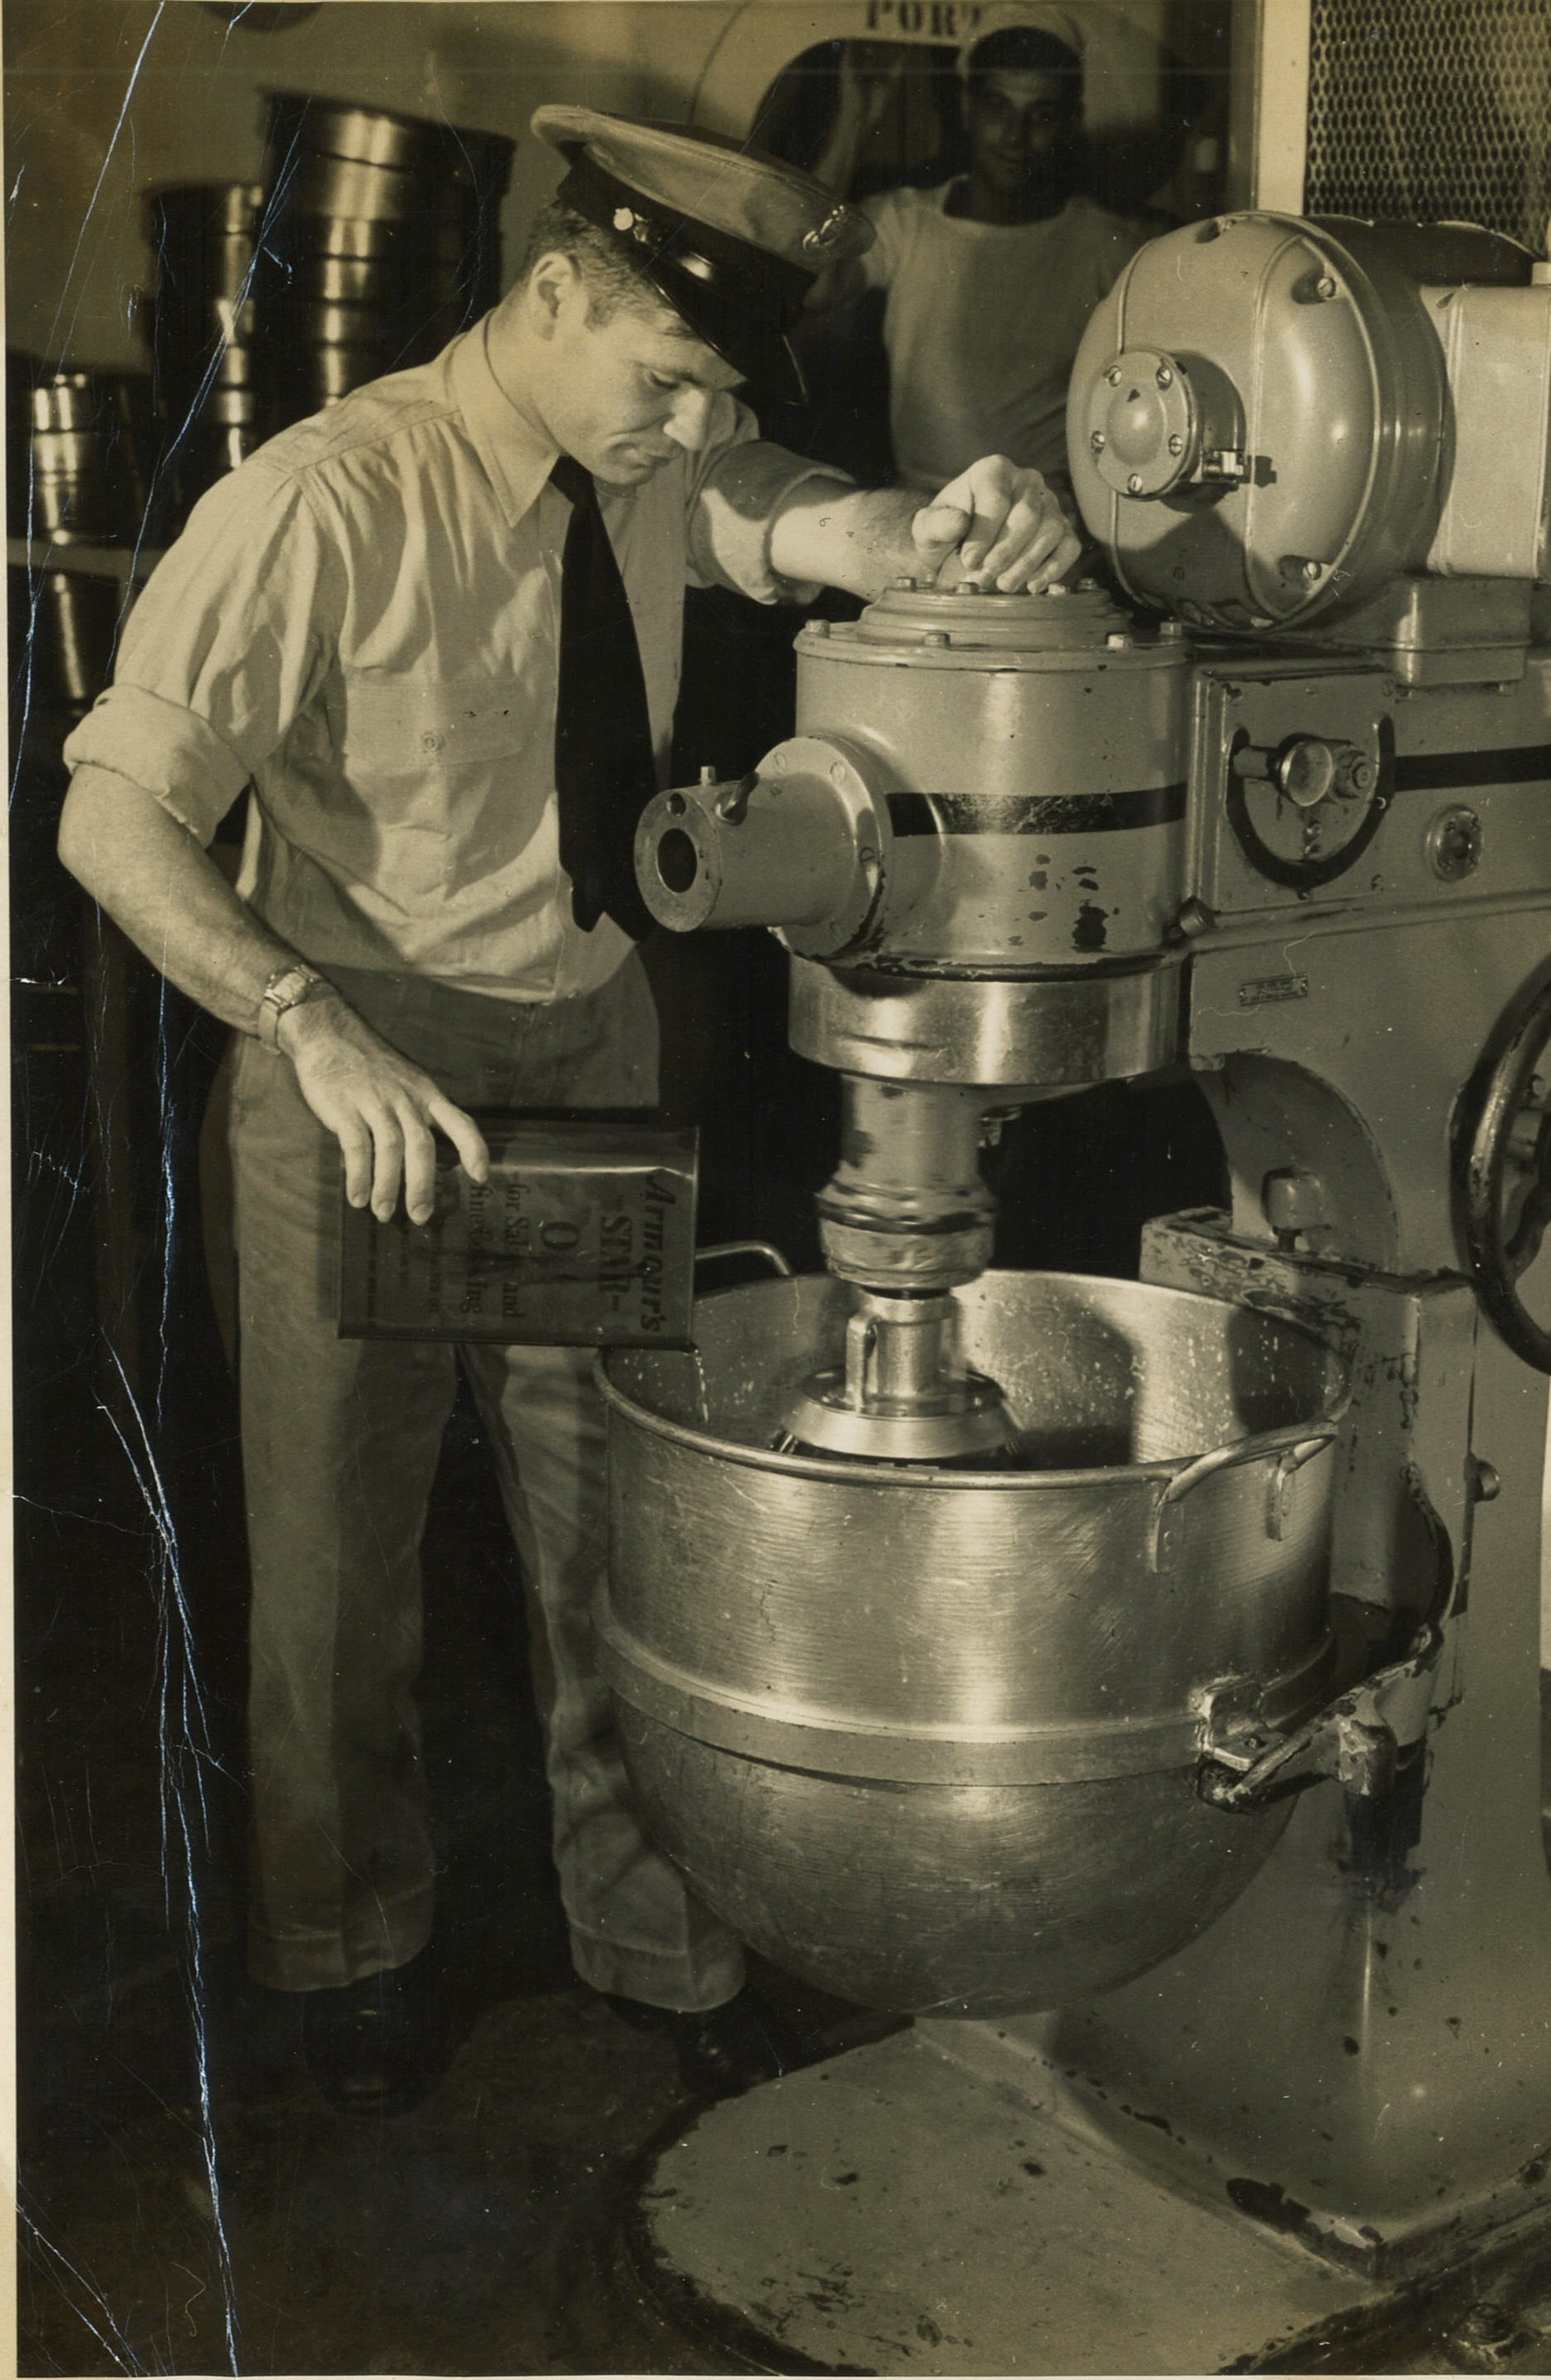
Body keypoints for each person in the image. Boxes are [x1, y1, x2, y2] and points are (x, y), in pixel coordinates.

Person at [56, 106, 1078, 2118]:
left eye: (714, 386)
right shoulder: (324, 499)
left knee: (616, 1539)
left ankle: (658, 1955)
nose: (690, 419)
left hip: (586, 1046)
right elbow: (109, 808)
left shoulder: (649, 455)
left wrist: (934, 525)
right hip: (360, 1061)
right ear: (549, 294)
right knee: (335, 1568)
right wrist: (303, 1021)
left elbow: (795, 519)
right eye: (669, 371)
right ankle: (341, 1964)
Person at [810, 7, 1145, 498]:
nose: (1016, 137)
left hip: (1047, 522)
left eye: (1042, 115)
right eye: (998, 107)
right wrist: (854, 121)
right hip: (920, 513)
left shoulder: (1107, 247)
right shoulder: (905, 223)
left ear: (1072, 121)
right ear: (968, 107)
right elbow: (815, 289)